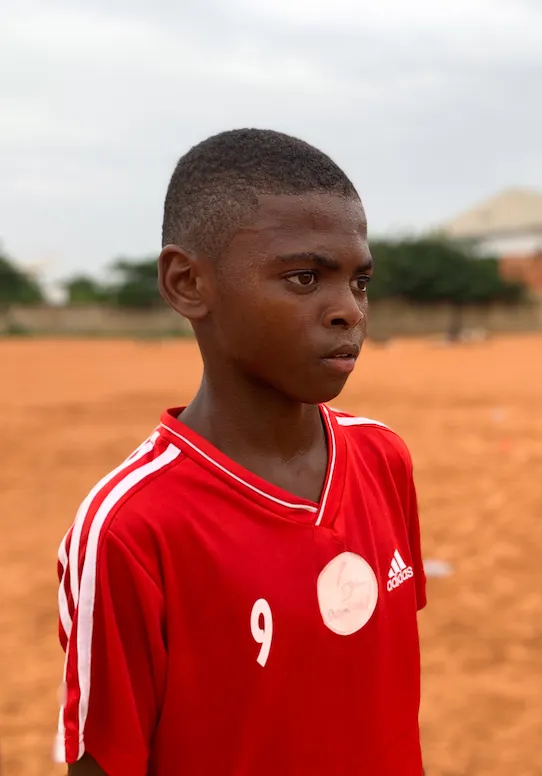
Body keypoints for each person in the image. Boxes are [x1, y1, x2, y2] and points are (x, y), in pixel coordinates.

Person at [54, 129, 427, 775]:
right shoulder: (131, 529)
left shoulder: (382, 456)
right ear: (187, 282)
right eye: (305, 277)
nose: (349, 311)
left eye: (360, 282)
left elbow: (365, 690)